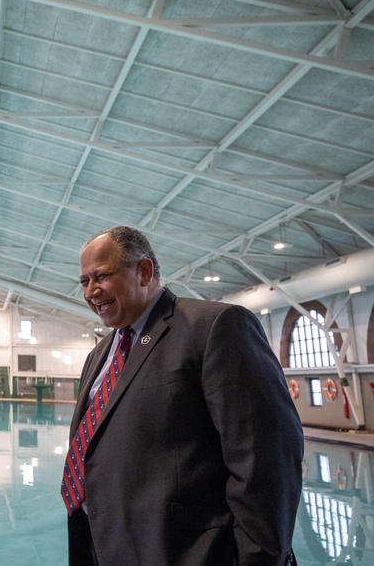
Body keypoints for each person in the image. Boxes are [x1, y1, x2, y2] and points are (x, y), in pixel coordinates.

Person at [63, 226, 303, 566]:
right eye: (84, 281)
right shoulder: (100, 354)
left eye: (101, 276)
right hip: (107, 546)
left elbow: (267, 458)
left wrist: (255, 559)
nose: (90, 291)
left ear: (144, 271)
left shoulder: (214, 326)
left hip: (189, 553)